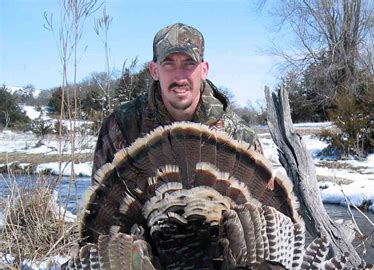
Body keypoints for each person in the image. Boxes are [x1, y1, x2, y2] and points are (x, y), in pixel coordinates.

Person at [92, 22, 263, 177]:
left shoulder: (239, 137)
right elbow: (99, 208)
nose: (179, 77)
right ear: (154, 70)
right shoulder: (122, 126)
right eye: (169, 63)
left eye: (189, 63)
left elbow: (264, 206)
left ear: (204, 70)